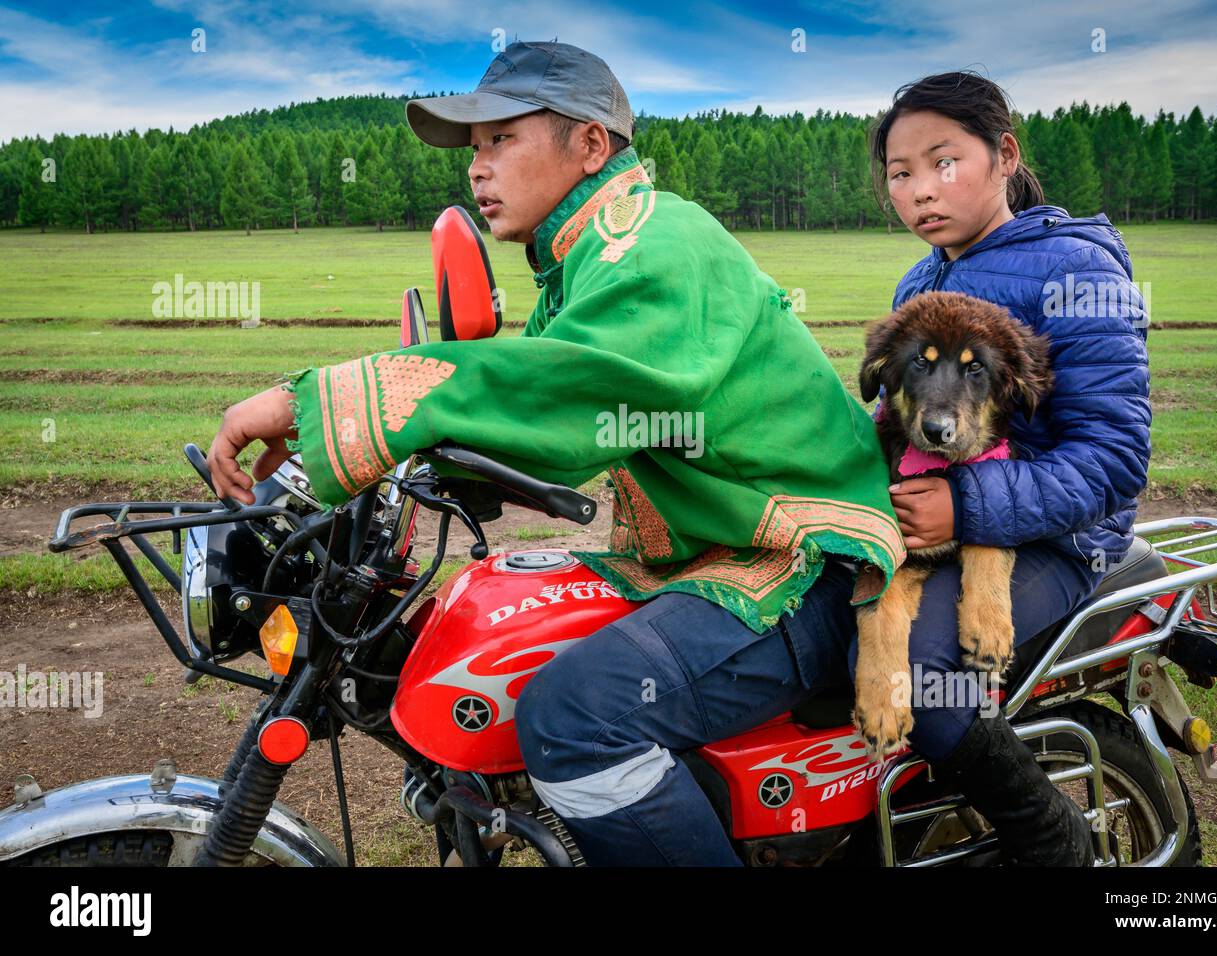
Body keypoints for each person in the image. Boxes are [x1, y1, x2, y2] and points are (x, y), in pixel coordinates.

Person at [207, 40, 905, 866]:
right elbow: (544, 423)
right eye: (474, 150)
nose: (478, 169)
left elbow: (577, 389)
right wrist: (403, 458)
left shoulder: (656, 241)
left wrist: (319, 402)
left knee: (578, 718)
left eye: (501, 139)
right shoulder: (584, 264)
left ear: (591, 145)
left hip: (800, 563)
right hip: (713, 553)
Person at [862, 70, 1152, 865]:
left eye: (943, 161)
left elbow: (1113, 457)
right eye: (901, 172)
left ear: (1004, 156)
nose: (922, 189)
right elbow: (893, 418)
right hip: (939, 523)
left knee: (924, 674)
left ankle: (1054, 845)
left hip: (1063, 539)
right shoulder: (921, 279)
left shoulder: (1078, 271)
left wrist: (967, 506)